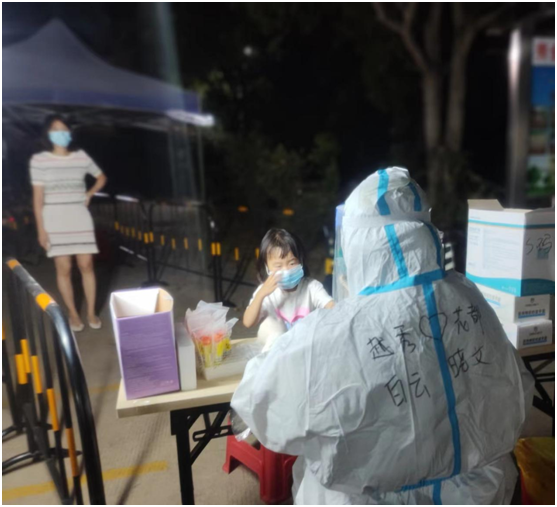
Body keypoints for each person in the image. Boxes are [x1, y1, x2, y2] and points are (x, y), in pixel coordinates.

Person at [232, 167, 534, 504]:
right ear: (425, 232)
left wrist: (269, 351)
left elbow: (262, 404)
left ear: (359, 245)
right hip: (475, 492)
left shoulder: (342, 329)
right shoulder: (467, 296)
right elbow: (517, 386)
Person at [30, 115, 107, 332]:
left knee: (87, 265)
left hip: (79, 217)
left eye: (63, 129)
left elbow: (101, 177)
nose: (60, 133)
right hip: (54, 220)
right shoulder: (39, 160)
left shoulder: (81, 157)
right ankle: (73, 313)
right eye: (55, 129)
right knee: (63, 268)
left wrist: (90, 193)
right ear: (48, 134)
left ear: (70, 133)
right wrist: (41, 229)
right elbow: (37, 198)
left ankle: (90, 312)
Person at [243, 228, 334, 349]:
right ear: (267, 267)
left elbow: (333, 308)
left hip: (303, 348)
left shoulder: (311, 287)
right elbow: (248, 322)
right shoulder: (265, 293)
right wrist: (261, 295)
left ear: (301, 261)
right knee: (272, 328)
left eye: (292, 263)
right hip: (273, 353)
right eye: (278, 266)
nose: (286, 270)